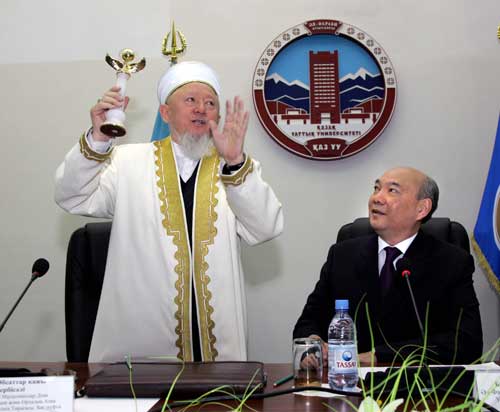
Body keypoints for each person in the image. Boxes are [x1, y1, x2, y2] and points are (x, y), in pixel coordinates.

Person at [55, 61, 283, 362]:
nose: (201, 109)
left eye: (210, 103)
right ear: (165, 113)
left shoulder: (236, 168)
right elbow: (72, 196)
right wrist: (98, 139)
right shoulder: (127, 163)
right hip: (140, 355)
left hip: (219, 356)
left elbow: (265, 228)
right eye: (191, 100)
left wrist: (235, 161)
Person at [293, 167, 483, 365]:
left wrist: (379, 356)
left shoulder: (452, 262)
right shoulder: (342, 255)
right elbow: (308, 321)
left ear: (422, 208)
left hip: (418, 381)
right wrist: (313, 343)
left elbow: (466, 342)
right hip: (348, 378)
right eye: (376, 188)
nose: (376, 198)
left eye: (392, 190)